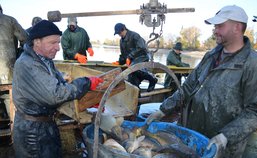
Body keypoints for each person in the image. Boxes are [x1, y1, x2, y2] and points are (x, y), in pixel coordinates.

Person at [146, 5, 257, 158]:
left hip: (222, 148)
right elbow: (188, 87)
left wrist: (225, 136)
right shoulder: (210, 56)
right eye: (215, 26)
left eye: (220, 25)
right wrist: (163, 110)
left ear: (237, 27)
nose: (215, 30)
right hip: (190, 137)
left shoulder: (254, 65)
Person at [12, 20, 103, 158]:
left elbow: (62, 86)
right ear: (37, 42)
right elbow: (55, 94)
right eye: (52, 43)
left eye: (58, 42)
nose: (58, 48)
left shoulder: (45, 60)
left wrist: (87, 100)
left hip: (46, 126)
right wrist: (86, 83)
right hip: (33, 133)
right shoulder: (27, 64)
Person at [0, 4, 28, 118]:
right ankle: (14, 128)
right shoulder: (10, 20)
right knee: (8, 96)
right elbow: (26, 39)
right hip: (7, 69)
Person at [113, 23, 158, 92]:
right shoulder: (121, 41)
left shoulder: (134, 35)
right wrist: (119, 61)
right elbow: (123, 54)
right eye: (118, 33)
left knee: (133, 68)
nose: (119, 34)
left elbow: (141, 47)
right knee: (132, 78)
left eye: (120, 32)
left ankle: (152, 79)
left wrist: (130, 57)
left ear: (124, 29)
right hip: (132, 60)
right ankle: (137, 95)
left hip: (142, 56)